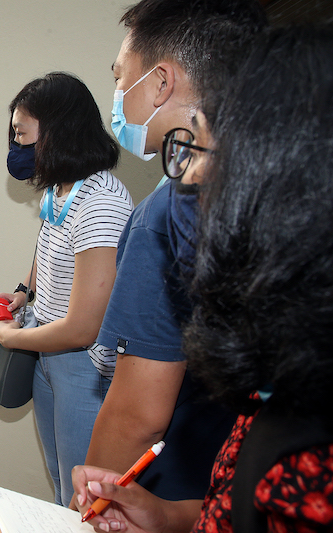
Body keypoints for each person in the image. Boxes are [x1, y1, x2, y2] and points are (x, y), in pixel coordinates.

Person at [73, 25, 333, 533]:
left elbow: (139, 412)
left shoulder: (307, 464)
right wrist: (164, 517)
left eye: (199, 153)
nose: (187, 181)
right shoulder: (280, 390)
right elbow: (234, 507)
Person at [82, 0, 266, 504]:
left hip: (174, 489)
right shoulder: (272, 187)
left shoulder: (167, 213)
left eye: (121, 78)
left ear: (160, 82)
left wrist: (91, 505)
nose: (118, 95)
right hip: (239, 485)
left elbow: (138, 415)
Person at [0, 72, 133, 504]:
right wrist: (23, 292)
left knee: (80, 495)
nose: (16, 145)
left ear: (56, 131)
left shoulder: (101, 203)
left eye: (21, 134)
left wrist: (12, 336)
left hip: (81, 365)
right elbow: (48, 244)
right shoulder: (62, 189)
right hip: (48, 354)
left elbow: (84, 328)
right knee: (59, 478)